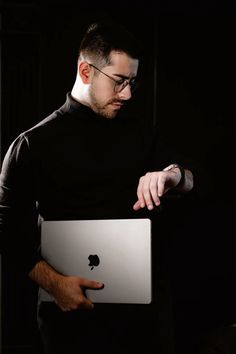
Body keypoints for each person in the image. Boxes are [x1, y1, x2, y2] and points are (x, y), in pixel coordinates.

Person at [0, 20, 194, 354]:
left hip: (144, 320)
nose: (128, 93)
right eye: (119, 81)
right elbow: (6, 230)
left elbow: (194, 180)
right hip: (70, 319)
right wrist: (55, 284)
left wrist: (172, 175)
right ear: (86, 71)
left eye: (132, 82)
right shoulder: (31, 145)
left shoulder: (140, 132)